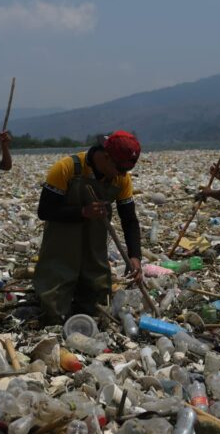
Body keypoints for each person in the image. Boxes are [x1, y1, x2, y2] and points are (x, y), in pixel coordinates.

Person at [34, 131, 143, 325]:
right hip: (62, 241)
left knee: (98, 305)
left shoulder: (121, 179)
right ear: (106, 156)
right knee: (54, 311)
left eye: (127, 170)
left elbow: (129, 220)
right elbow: (45, 211)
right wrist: (83, 212)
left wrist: (135, 256)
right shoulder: (67, 168)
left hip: (95, 245)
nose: (122, 174)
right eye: (120, 168)